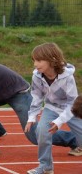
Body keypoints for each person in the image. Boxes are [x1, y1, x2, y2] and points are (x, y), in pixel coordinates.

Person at [24, 43, 82, 174]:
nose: (35, 64)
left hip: (72, 108)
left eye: (38, 61)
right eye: (34, 61)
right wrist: (31, 117)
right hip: (52, 108)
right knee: (42, 131)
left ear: (52, 59)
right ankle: (45, 167)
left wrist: (59, 121)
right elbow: (37, 97)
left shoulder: (67, 76)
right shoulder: (37, 76)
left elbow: (72, 101)